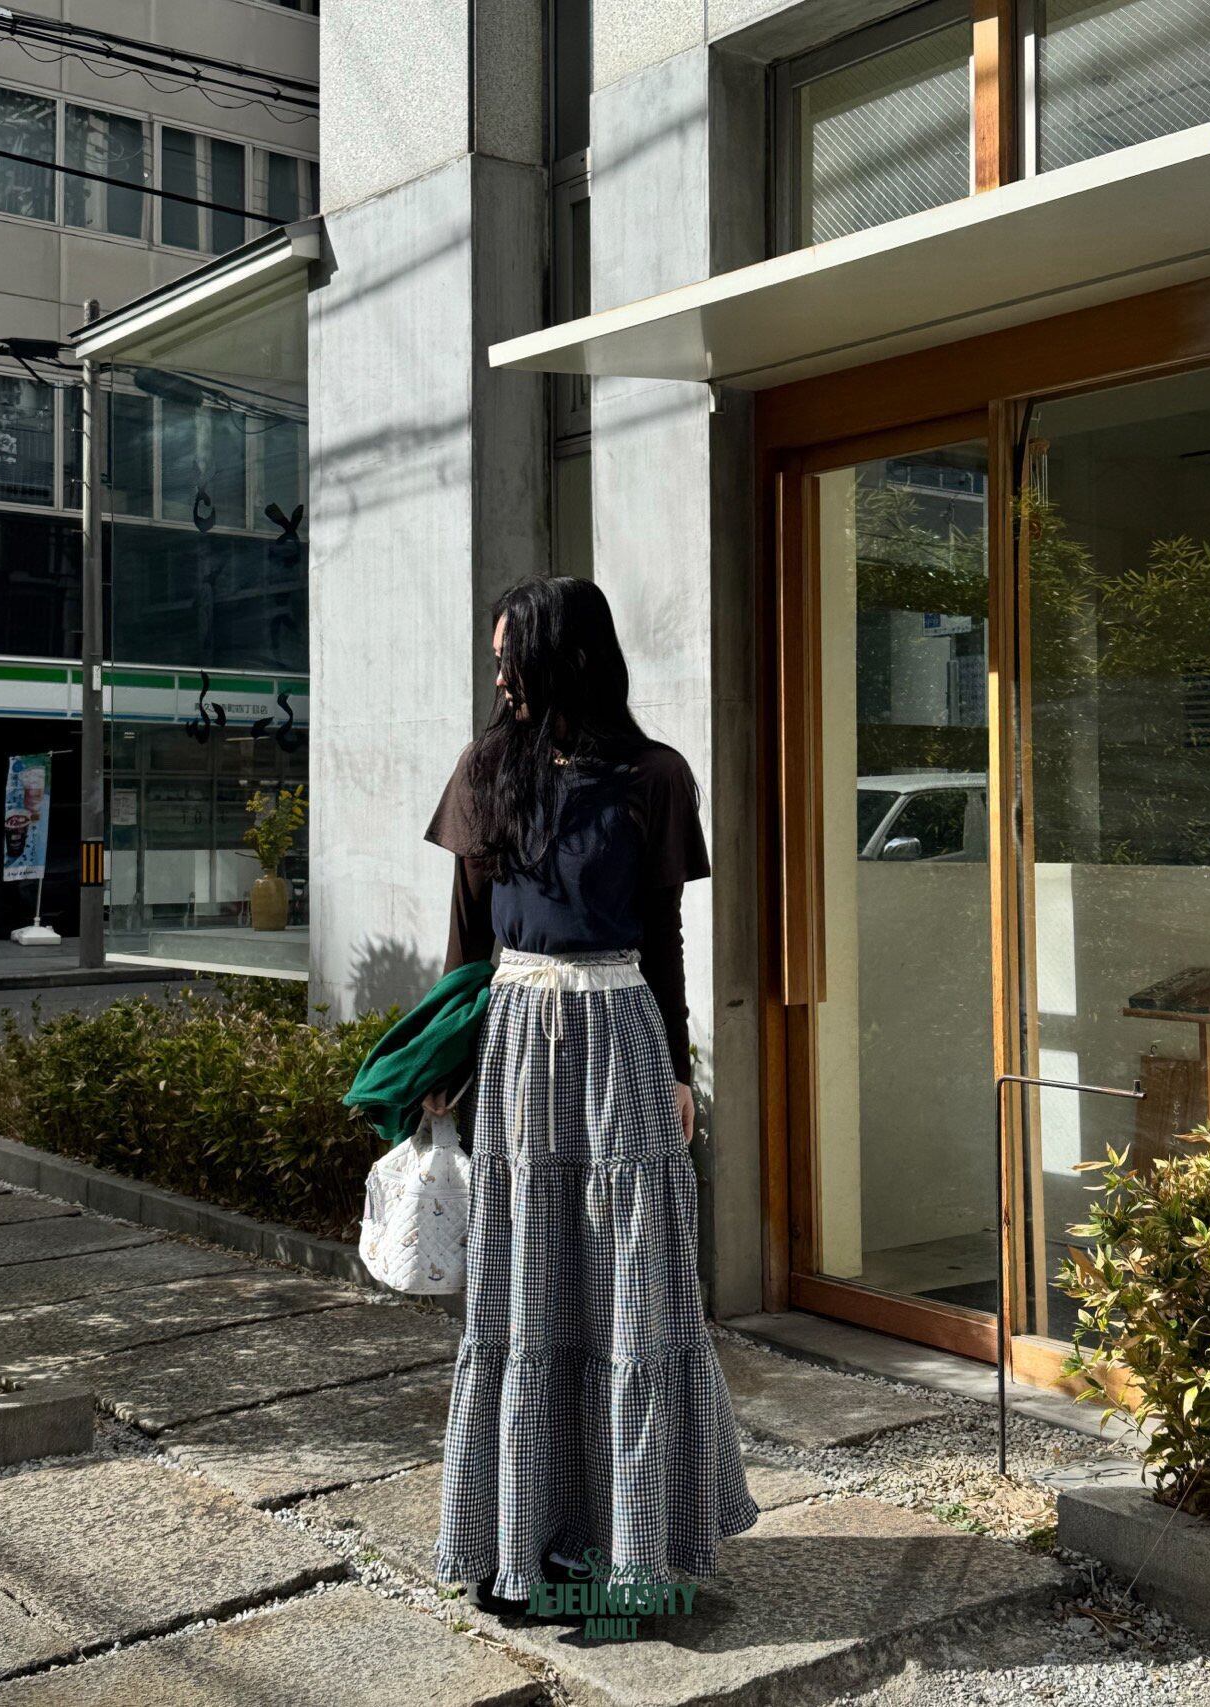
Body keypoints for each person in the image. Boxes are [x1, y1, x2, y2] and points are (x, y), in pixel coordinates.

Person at [424, 575, 759, 1616]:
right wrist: (440, 1069)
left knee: (635, 1290)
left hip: (621, 1035)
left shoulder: (655, 775)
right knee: (525, 1290)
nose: (498, 676)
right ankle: (519, 1545)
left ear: (565, 657)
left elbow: (663, 936)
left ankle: (633, 1553)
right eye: (495, 659)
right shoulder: (486, 768)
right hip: (519, 1042)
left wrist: (678, 1069)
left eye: (509, 656)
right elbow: (465, 941)